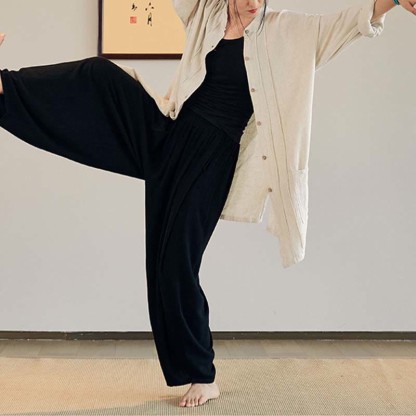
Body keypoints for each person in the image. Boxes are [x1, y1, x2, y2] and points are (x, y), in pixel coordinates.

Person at [0, 0, 270, 409]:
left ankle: (203, 375)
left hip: (210, 156)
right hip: (170, 135)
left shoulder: (279, 34)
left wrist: (375, 11)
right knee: (99, 74)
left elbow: (342, 29)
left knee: (175, 263)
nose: (253, 3)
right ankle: (5, 87)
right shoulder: (208, 16)